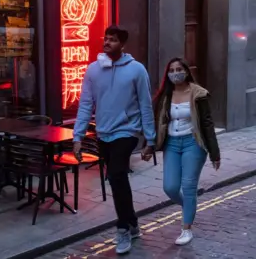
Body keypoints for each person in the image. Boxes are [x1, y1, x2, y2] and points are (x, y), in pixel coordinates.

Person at [72, 25, 156, 254]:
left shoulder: (137, 70)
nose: (107, 42)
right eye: (106, 38)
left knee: (117, 174)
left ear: (123, 44)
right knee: (119, 180)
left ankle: (122, 229)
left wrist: (150, 139)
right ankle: (133, 221)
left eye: (113, 39)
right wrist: (77, 136)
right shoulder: (92, 70)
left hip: (127, 132)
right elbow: (85, 105)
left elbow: (145, 105)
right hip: (103, 133)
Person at [153, 57, 221, 245]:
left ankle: (186, 229)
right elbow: (158, 122)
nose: (176, 73)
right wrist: (150, 145)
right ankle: (189, 206)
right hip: (172, 145)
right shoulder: (165, 95)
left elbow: (207, 124)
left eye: (179, 69)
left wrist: (215, 154)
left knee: (189, 186)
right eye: (172, 70)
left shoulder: (198, 94)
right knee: (170, 187)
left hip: (193, 143)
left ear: (186, 71)